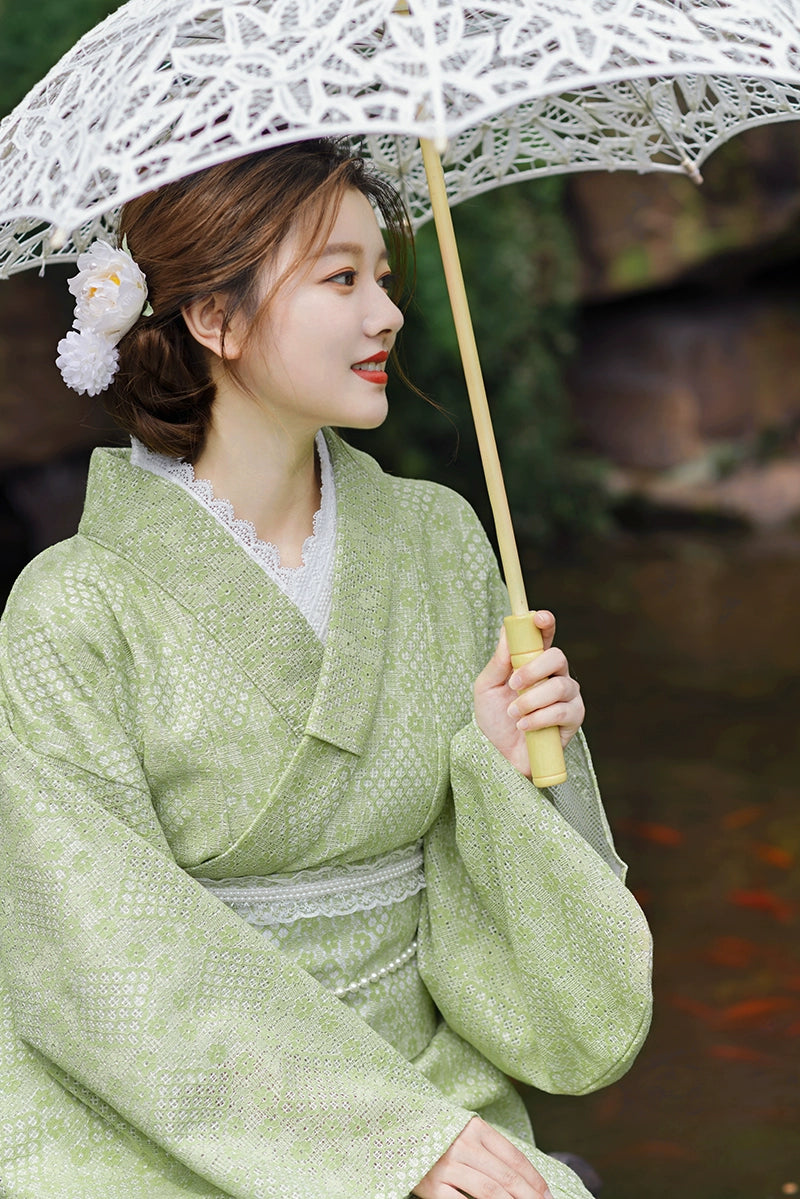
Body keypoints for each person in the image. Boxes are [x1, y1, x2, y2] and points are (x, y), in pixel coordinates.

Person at [0, 138, 652, 1199]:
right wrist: (388, 1145)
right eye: (339, 280)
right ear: (212, 319)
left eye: (382, 279)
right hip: (157, 1122)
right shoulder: (70, 611)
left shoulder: (439, 539)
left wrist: (497, 772)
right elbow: (99, 960)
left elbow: (565, 1015)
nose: (385, 315)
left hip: (430, 1074)